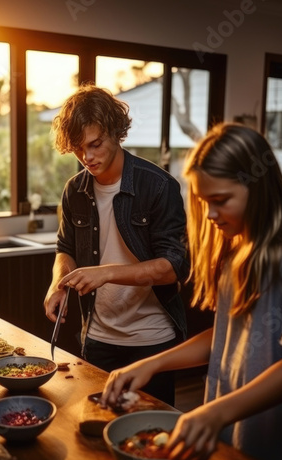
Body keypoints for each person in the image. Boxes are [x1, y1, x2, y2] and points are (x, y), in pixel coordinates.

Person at [101, 122, 282, 460]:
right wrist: (152, 363)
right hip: (233, 439)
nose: (210, 215)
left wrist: (213, 413)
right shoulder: (239, 250)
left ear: (258, 187)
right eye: (204, 202)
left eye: (220, 200)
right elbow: (226, 336)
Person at [43, 83, 189, 406]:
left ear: (116, 132)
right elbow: (64, 248)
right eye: (79, 149)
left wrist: (105, 273)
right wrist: (58, 283)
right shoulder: (74, 190)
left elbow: (173, 267)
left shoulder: (159, 187)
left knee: (149, 432)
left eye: (95, 144)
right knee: (94, 430)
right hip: (97, 338)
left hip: (152, 340)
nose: (87, 157)